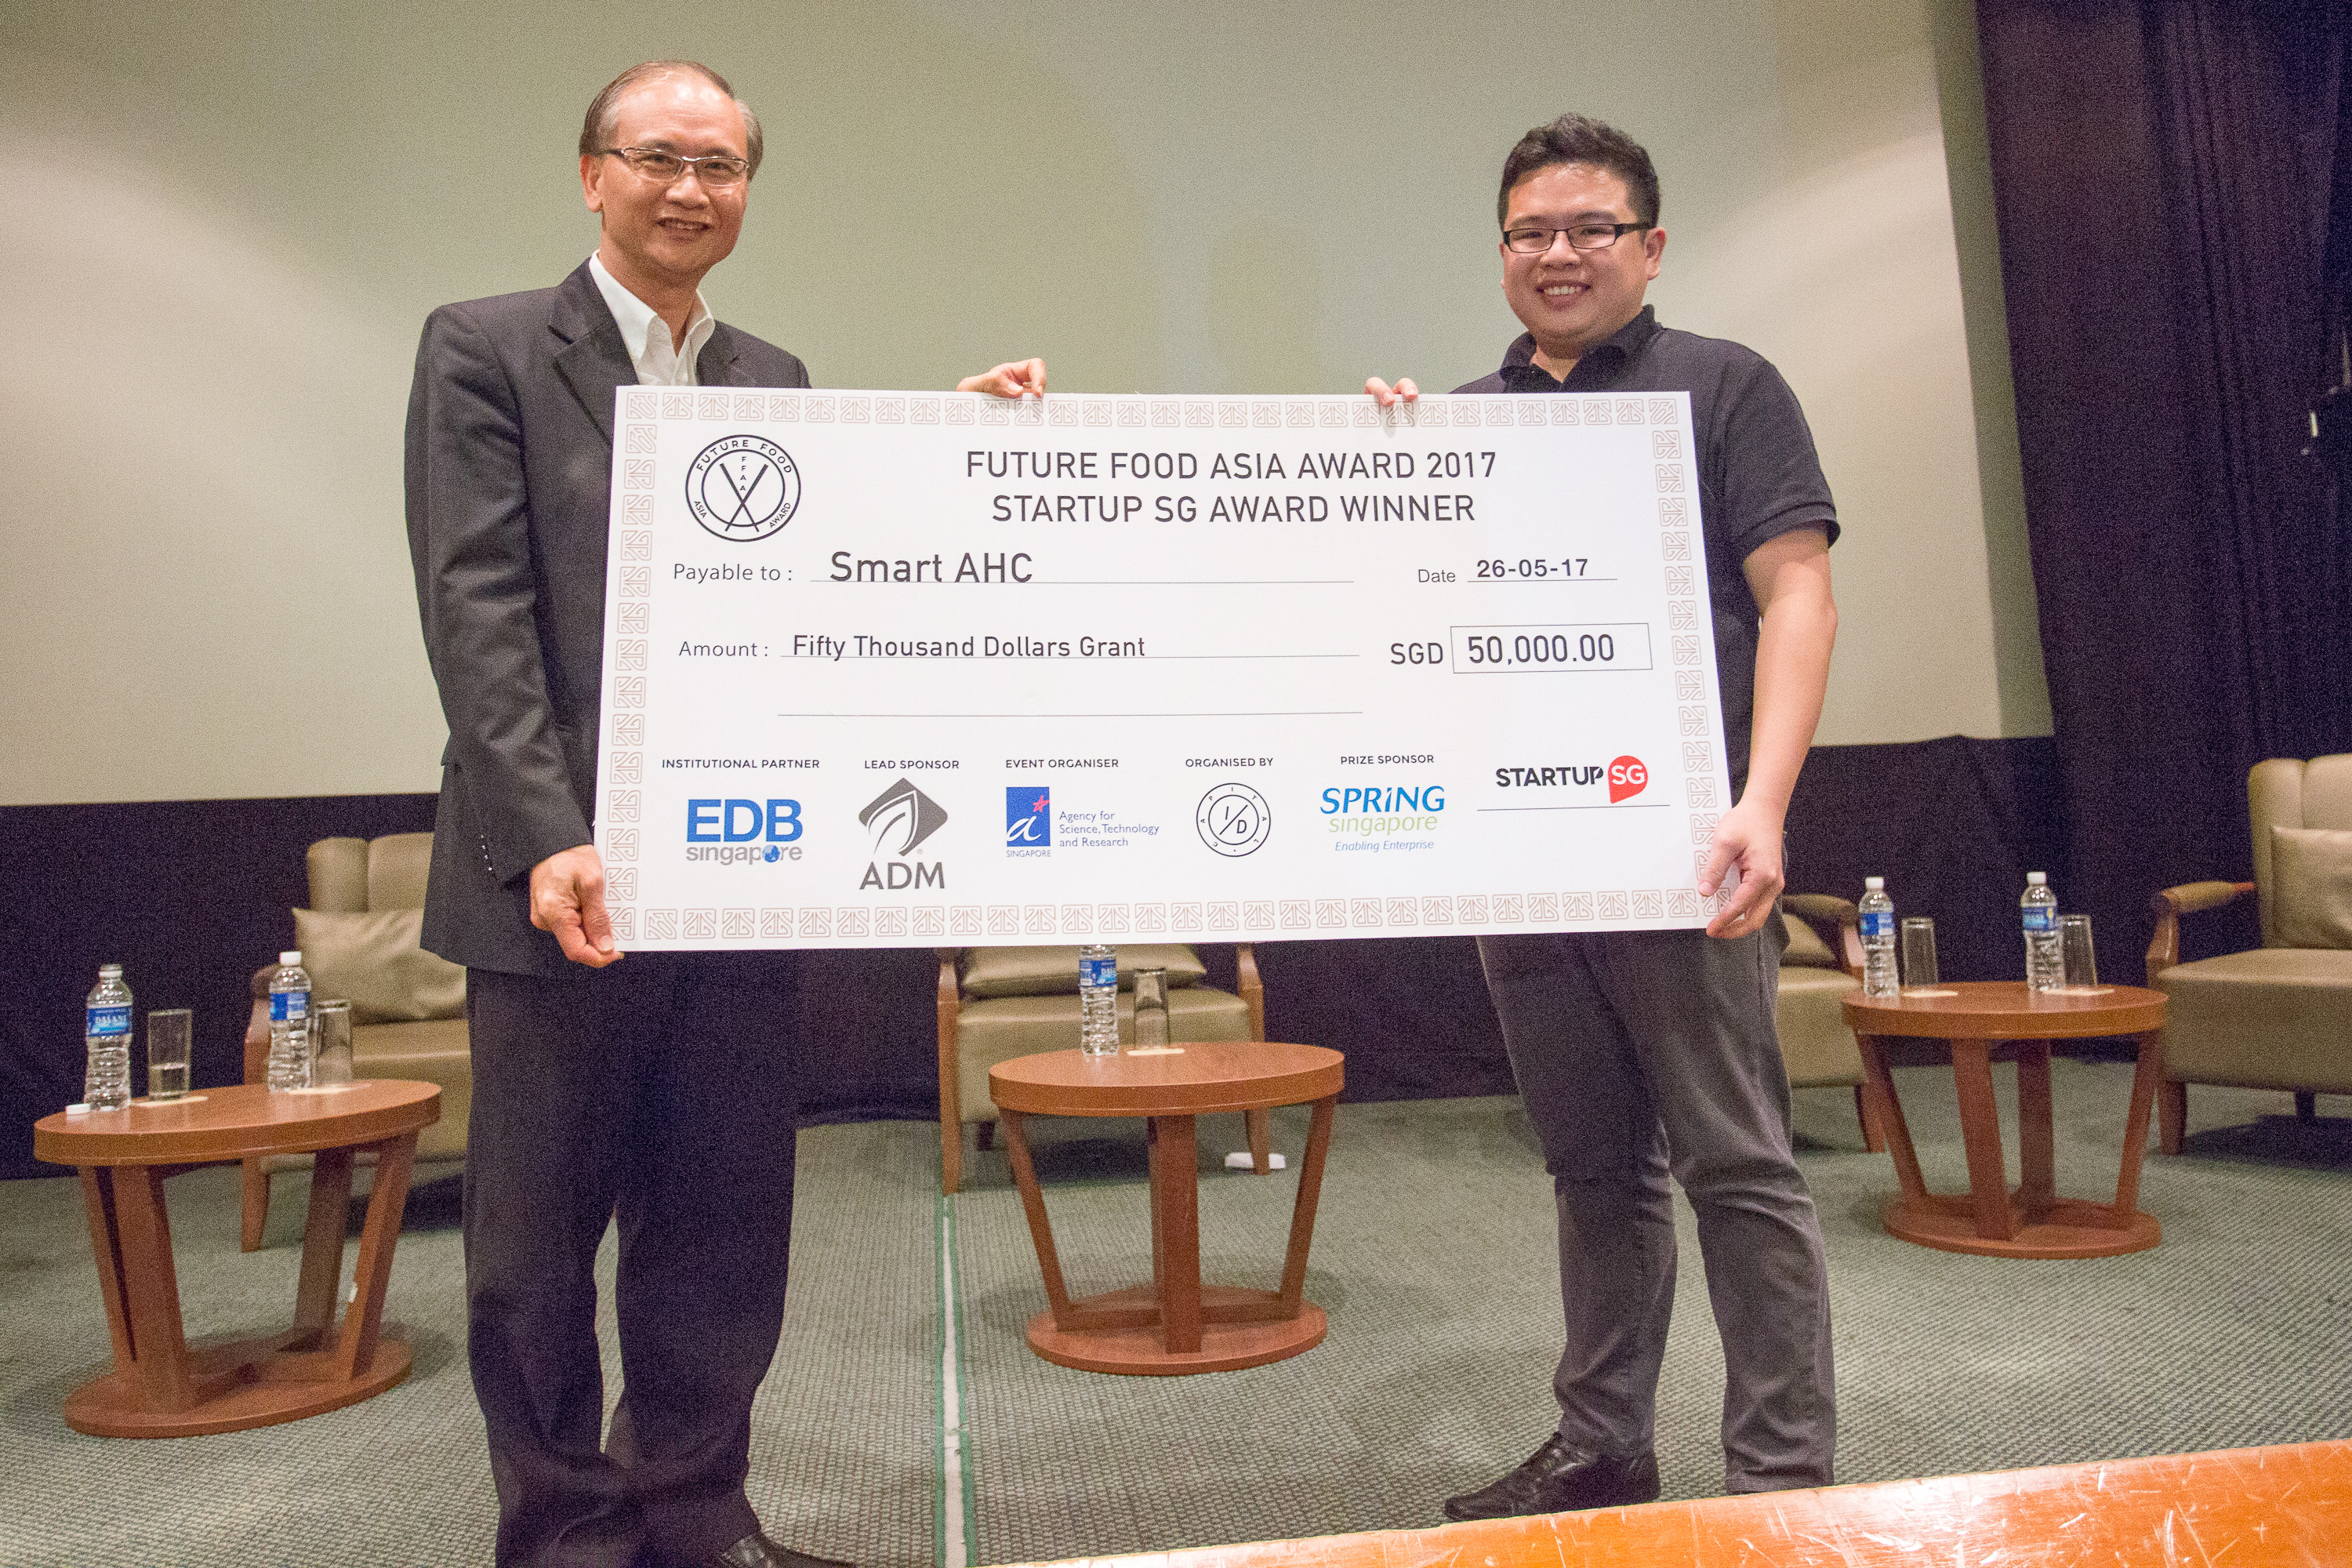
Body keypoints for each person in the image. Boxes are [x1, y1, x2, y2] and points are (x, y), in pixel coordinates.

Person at [405, 60, 1044, 1568]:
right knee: (531, 1255)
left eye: (721, 166)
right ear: (593, 174)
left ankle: (696, 1517)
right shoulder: (488, 349)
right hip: (559, 884)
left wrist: (945, 451)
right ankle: (565, 1534)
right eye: (660, 158)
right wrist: (550, 831)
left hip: (740, 877)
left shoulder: (774, 378)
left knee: (719, 1231)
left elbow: (823, 563)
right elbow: (476, 609)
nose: (691, 189)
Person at [1369, 113, 1840, 1513]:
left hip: (1684, 843)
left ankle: (1783, 1478)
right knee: (1591, 1169)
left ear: (1651, 245)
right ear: (1502, 251)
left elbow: (1798, 596)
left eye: (1590, 228)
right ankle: (1604, 1443)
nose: (1559, 254)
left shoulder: (1726, 384)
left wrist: (1763, 805)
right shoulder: (1460, 420)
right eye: (1531, 232)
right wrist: (1374, 465)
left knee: (1737, 1165)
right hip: (1521, 854)